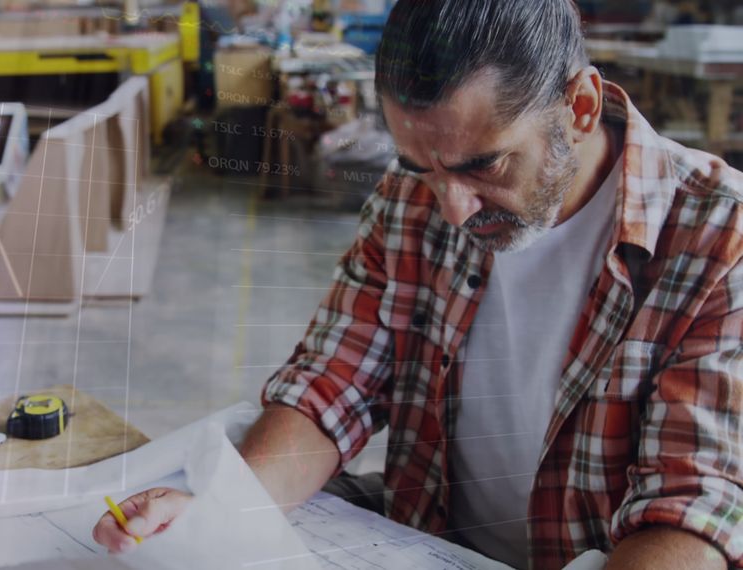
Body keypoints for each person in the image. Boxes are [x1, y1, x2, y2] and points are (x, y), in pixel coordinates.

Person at [93, 0, 743, 568]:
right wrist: (223, 511)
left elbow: (687, 509)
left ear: (579, 107)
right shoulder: (414, 197)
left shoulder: (718, 236)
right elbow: (332, 384)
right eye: (422, 165)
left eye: (483, 166)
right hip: (432, 543)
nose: (454, 208)